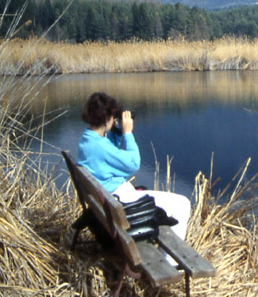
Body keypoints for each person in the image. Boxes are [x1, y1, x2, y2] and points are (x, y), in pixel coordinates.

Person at [76, 92, 191, 248]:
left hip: (110, 201)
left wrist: (117, 132)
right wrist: (128, 133)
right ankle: (171, 259)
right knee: (183, 203)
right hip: (123, 202)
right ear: (106, 118)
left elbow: (109, 154)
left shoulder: (88, 139)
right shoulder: (99, 146)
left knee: (169, 202)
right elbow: (133, 164)